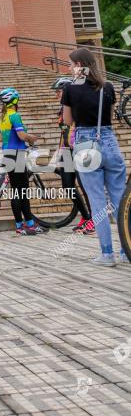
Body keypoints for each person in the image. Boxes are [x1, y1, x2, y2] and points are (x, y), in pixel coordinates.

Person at [61, 48, 128, 267]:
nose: (69, 68)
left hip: (86, 143)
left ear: (80, 64)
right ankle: (126, 250)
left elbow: (68, 120)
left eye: (71, 64)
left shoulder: (70, 88)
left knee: (98, 201)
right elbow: (107, 117)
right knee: (121, 199)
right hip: (109, 141)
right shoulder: (107, 87)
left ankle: (107, 254)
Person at [52, 76, 95, 234]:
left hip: (79, 149)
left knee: (85, 186)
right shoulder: (63, 108)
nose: (56, 94)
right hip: (66, 150)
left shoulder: (77, 106)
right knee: (68, 185)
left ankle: (94, 219)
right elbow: (64, 131)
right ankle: (85, 216)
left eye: (58, 91)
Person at [0, 87, 44, 235]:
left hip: (8, 154)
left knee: (18, 192)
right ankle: (25, 226)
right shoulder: (14, 115)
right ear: (15, 100)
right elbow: (21, 136)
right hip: (16, 155)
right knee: (21, 192)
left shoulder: (4, 116)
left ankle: (25, 224)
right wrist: (32, 138)